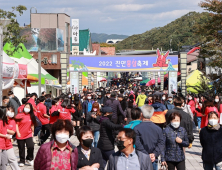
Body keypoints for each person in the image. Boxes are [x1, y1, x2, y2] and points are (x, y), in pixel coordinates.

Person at [134, 104, 164, 170]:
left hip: (141, 158)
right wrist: (154, 154)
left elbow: (137, 143)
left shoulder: (137, 128)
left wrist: (147, 154)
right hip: (154, 158)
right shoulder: (158, 129)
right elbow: (161, 143)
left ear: (141, 114)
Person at [5, 106, 21, 170]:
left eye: (12, 112)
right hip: (1, 142)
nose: (11, 113)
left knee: (12, 159)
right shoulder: (1, 120)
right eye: (9, 111)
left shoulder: (12, 121)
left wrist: (4, 130)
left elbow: (13, 132)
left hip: (8, 143)